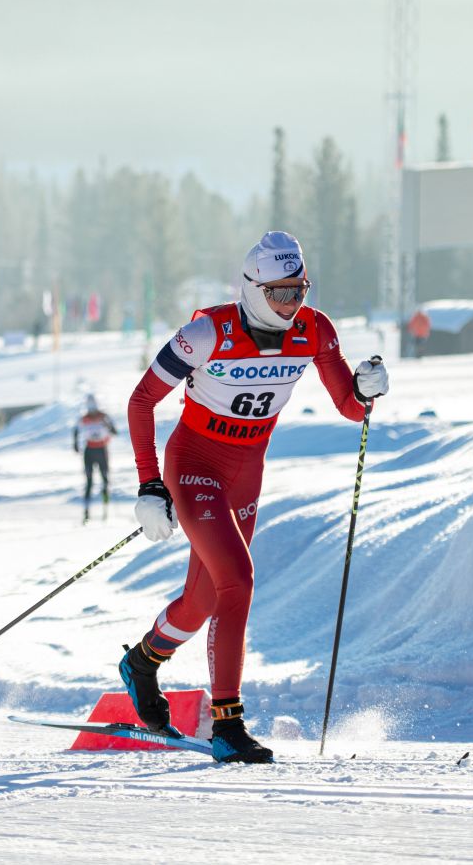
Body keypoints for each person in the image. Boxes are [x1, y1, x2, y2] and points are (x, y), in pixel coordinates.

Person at [119, 231, 389, 764]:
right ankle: (229, 723)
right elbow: (141, 400)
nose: (292, 304)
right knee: (237, 580)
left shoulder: (314, 330)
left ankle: (144, 661)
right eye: (280, 293)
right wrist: (150, 484)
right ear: (253, 288)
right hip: (194, 465)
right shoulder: (205, 333)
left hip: (247, 473)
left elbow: (350, 408)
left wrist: (367, 390)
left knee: (205, 600)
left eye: (300, 291)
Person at [73, 394, 117, 524]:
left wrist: (107, 426)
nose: (92, 412)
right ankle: (86, 513)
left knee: (105, 479)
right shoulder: (84, 418)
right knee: (89, 482)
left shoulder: (103, 416)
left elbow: (114, 431)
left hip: (102, 450)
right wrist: (75, 444)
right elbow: (75, 430)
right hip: (89, 451)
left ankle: (105, 510)